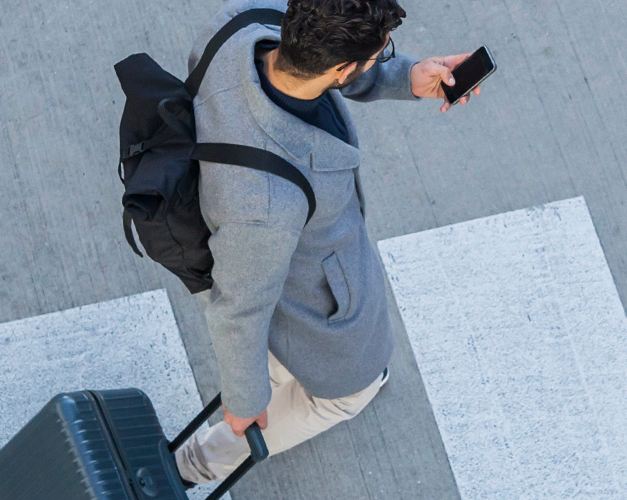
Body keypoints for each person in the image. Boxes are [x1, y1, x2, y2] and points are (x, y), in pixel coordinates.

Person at [173, 0, 482, 488]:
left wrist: (406, 77)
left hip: (259, 244)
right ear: (342, 67)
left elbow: (322, 70)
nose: (383, 60)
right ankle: (195, 465)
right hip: (301, 286)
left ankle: (271, 373)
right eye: (381, 54)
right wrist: (243, 400)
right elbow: (240, 309)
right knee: (344, 393)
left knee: (271, 357)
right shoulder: (264, 203)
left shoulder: (248, 22)